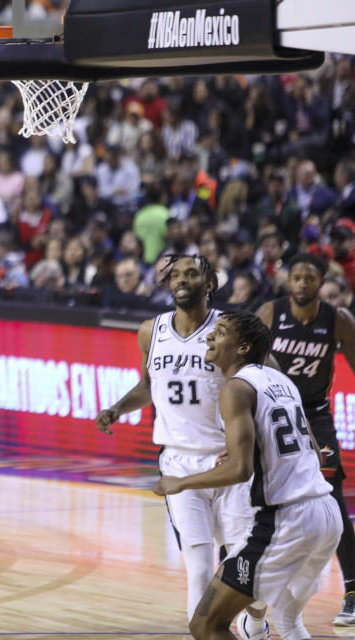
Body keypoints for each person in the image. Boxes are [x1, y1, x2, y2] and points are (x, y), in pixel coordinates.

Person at [96, 255, 269, 637]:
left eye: (191, 273)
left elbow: (264, 380)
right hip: (178, 463)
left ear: (209, 283)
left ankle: (257, 619)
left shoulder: (230, 330)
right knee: (199, 565)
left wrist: (253, 439)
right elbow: (148, 385)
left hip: (229, 463)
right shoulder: (150, 331)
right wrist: (118, 409)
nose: (181, 279)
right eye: (175, 274)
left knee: (243, 562)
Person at [154, 310, 342, 640]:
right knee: (287, 621)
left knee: (205, 625)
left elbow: (239, 471)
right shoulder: (281, 380)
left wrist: (179, 482)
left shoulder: (235, 388)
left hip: (287, 519)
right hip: (326, 514)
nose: (210, 337)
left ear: (242, 348)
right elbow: (311, 448)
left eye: (221, 332)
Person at [255, 252, 355, 626]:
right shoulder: (270, 313)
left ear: (320, 282)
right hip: (275, 413)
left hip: (315, 415)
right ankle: (254, 588)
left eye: (308, 278)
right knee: (261, 497)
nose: (300, 284)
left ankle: (353, 590)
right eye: (295, 277)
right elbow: (251, 362)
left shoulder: (337, 320)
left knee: (332, 499)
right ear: (288, 281)